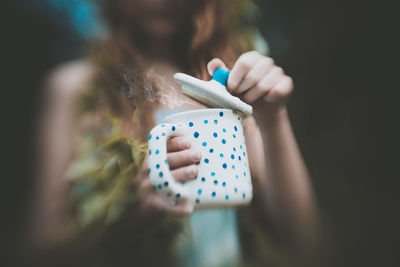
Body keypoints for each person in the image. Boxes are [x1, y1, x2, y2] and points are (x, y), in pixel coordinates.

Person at [29, 0, 318, 266]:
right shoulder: (73, 89)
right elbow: (41, 250)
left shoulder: (232, 86)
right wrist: (128, 220)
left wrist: (273, 118)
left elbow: (302, 242)